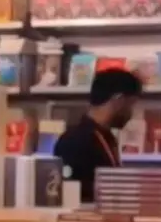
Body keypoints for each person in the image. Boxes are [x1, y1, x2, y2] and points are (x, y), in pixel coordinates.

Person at [52, 69, 143, 203]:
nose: (131, 113)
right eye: (131, 105)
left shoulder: (107, 137)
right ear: (118, 100)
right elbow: (72, 195)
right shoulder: (74, 140)